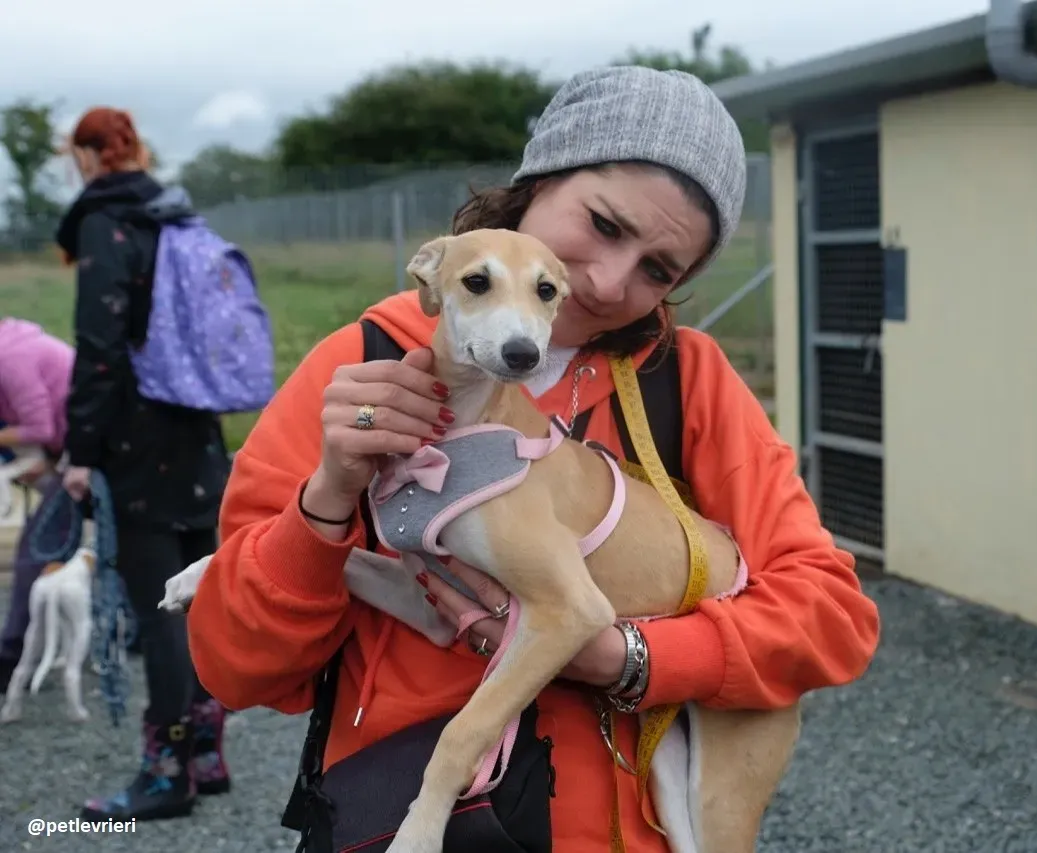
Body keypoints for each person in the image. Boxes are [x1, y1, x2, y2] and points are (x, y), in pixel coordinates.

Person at [187, 67, 881, 851]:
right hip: (412, 825)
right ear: (539, 178)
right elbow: (234, 666)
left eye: (659, 270)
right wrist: (328, 497)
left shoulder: (687, 380)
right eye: (605, 224)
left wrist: (633, 657)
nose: (609, 281)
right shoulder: (364, 366)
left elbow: (831, 616)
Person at [54, 106, 234, 822]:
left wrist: (80, 451)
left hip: (137, 441)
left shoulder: (105, 222)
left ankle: (167, 775)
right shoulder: (178, 217)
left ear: (86, 156)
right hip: (199, 428)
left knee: (159, 610)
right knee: (201, 595)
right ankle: (209, 754)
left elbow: (99, 348)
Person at [0, 317, 75, 692]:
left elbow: (40, 426)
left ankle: (9, 657)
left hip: (92, 449)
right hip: (71, 449)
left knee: (37, 545)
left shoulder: (10, 358)